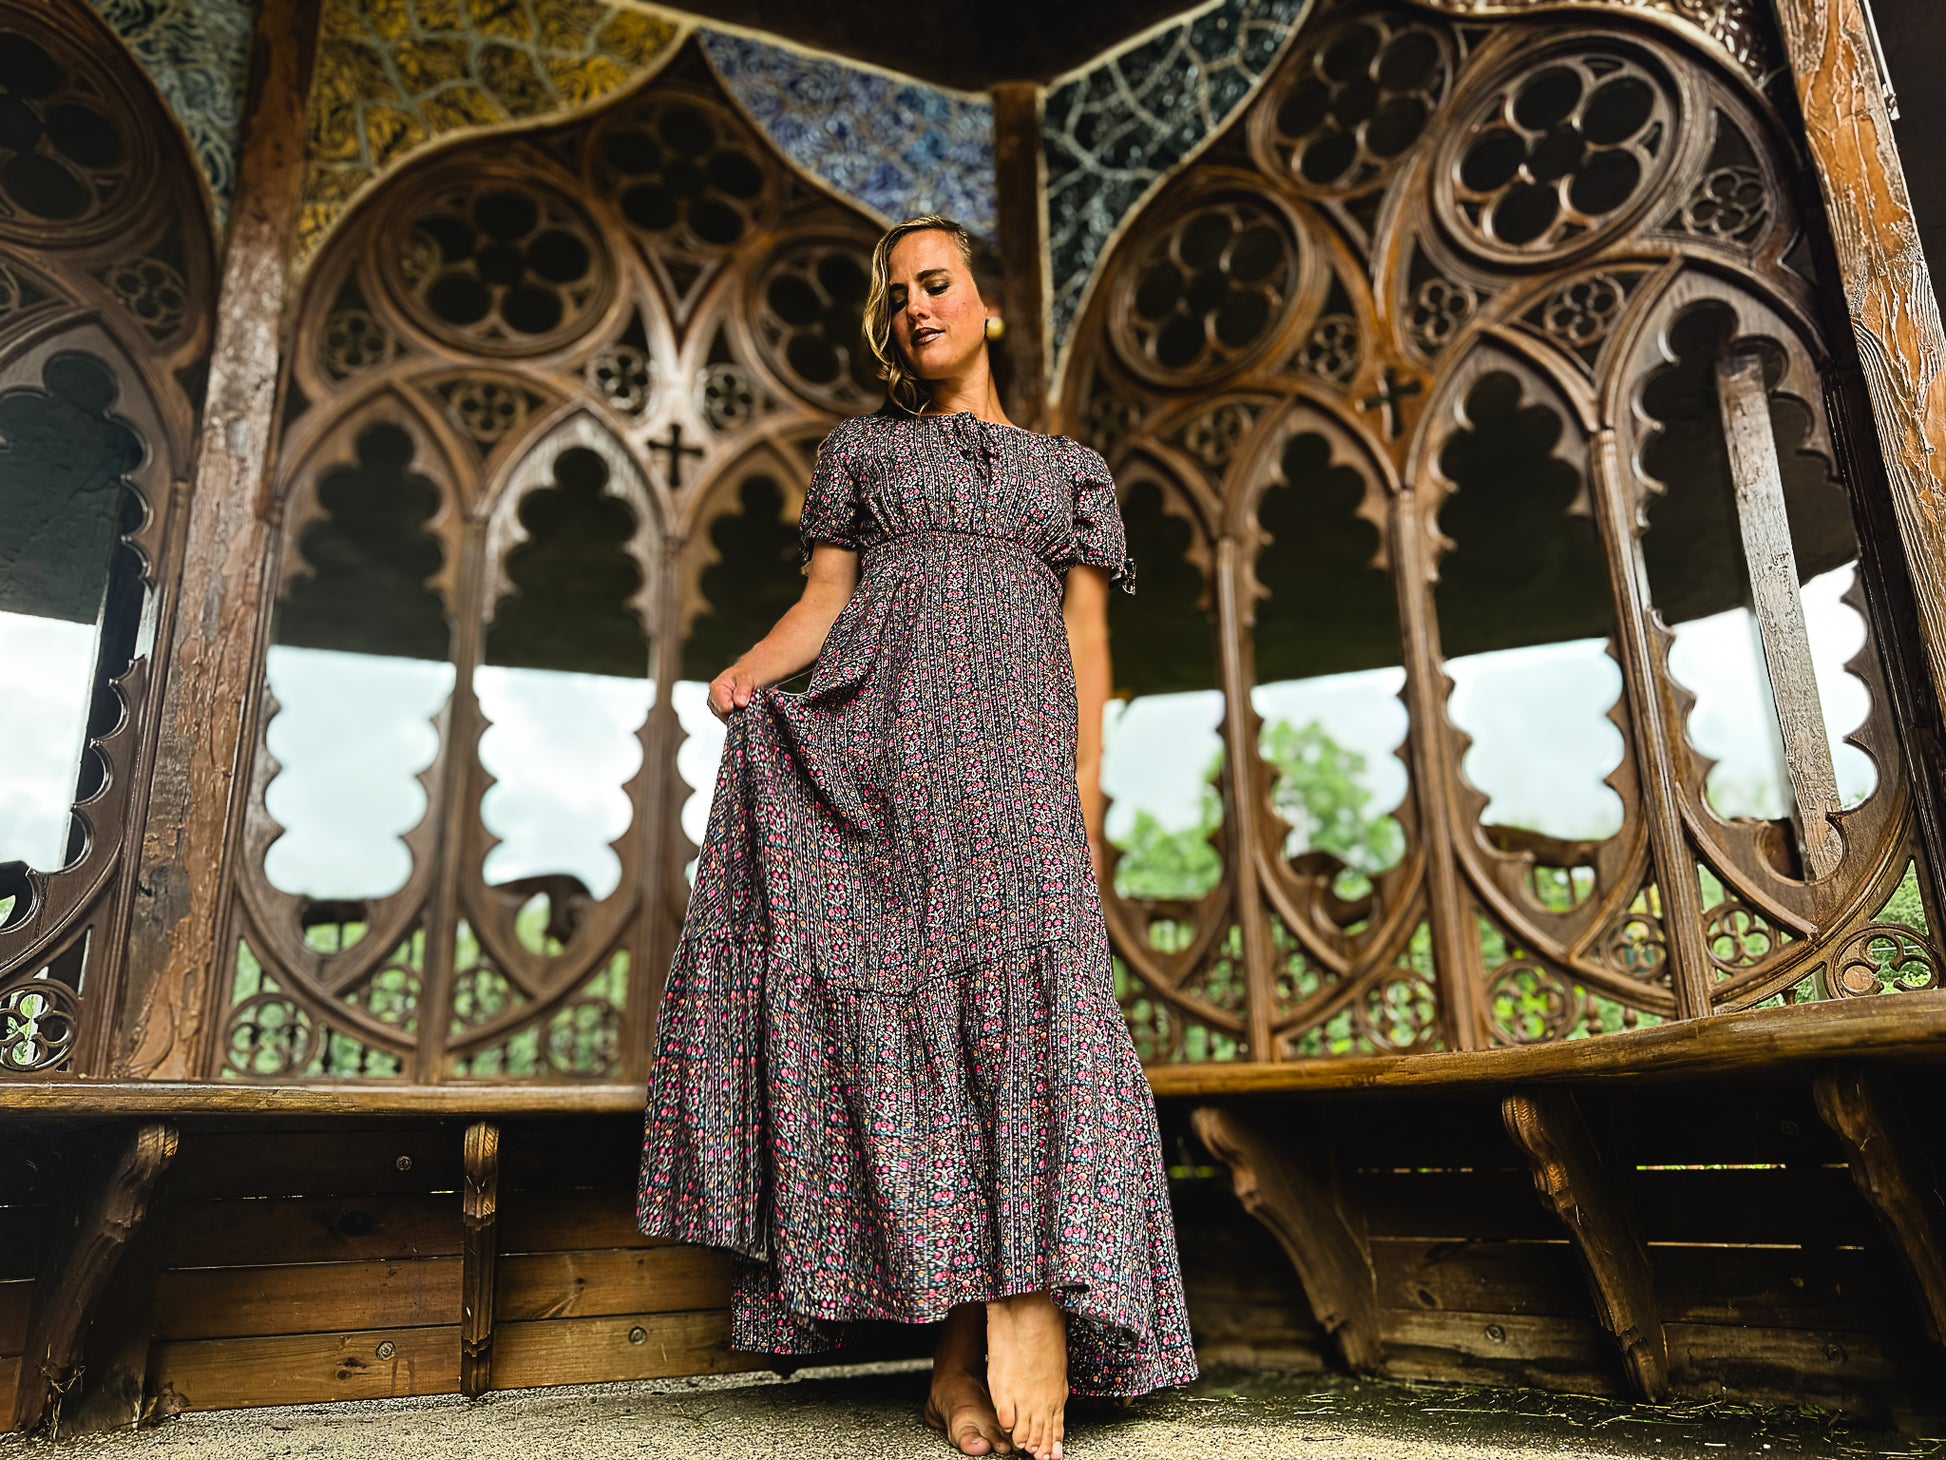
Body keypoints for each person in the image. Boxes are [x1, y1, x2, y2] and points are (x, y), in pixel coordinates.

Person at [635, 214, 1197, 1460]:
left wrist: (1081, 791)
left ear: (986, 304)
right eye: (895, 298)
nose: (914, 308)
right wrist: (747, 673)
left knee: (1036, 1017)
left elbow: (1086, 642)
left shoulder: (1069, 471)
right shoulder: (862, 450)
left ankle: (1029, 1298)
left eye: (934, 284)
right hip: (889, 769)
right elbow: (823, 602)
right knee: (923, 1038)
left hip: (1017, 775)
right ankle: (954, 1361)